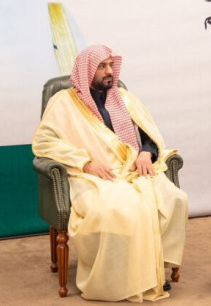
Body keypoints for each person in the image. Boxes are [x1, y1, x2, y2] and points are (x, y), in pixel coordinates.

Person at [32, 45, 188, 302]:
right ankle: (122, 278)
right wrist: (85, 163)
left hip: (133, 169)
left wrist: (146, 154)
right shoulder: (63, 102)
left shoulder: (124, 98)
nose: (109, 72)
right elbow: (44, 142)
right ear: (86, 70)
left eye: (111, 65)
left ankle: (154, 268)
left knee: (175, 198)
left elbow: (148, 134)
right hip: (92, 174)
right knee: (120, 208)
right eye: (102, 66)